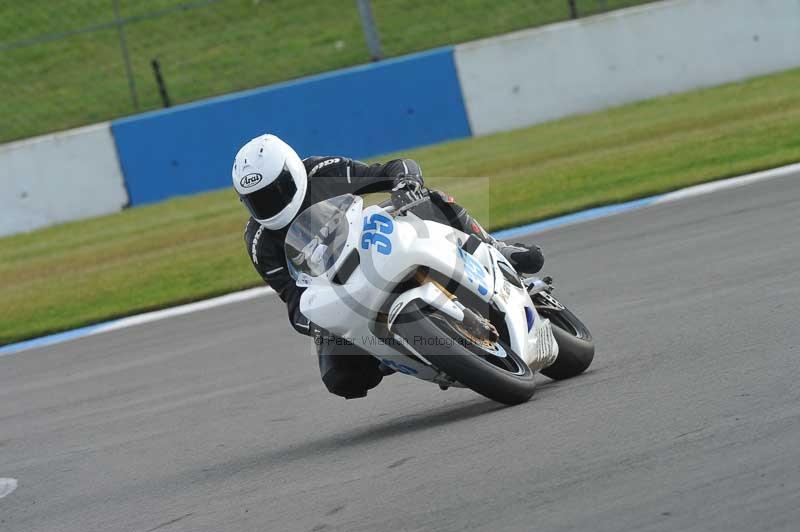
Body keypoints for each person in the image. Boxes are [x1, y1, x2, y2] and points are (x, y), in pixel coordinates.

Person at [233, 133, 544, 399]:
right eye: (258, 200)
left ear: (293, 172)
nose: (270, 204)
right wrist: (315, 323)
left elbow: (390, 169)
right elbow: (292, 299)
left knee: (427, 198)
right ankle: (395, 353)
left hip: (369, 240)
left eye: (275, 192)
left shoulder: (323, 170)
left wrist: (406, 182)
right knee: (342, 380)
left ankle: (495, 246)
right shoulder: (259, 241)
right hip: (336, 287)